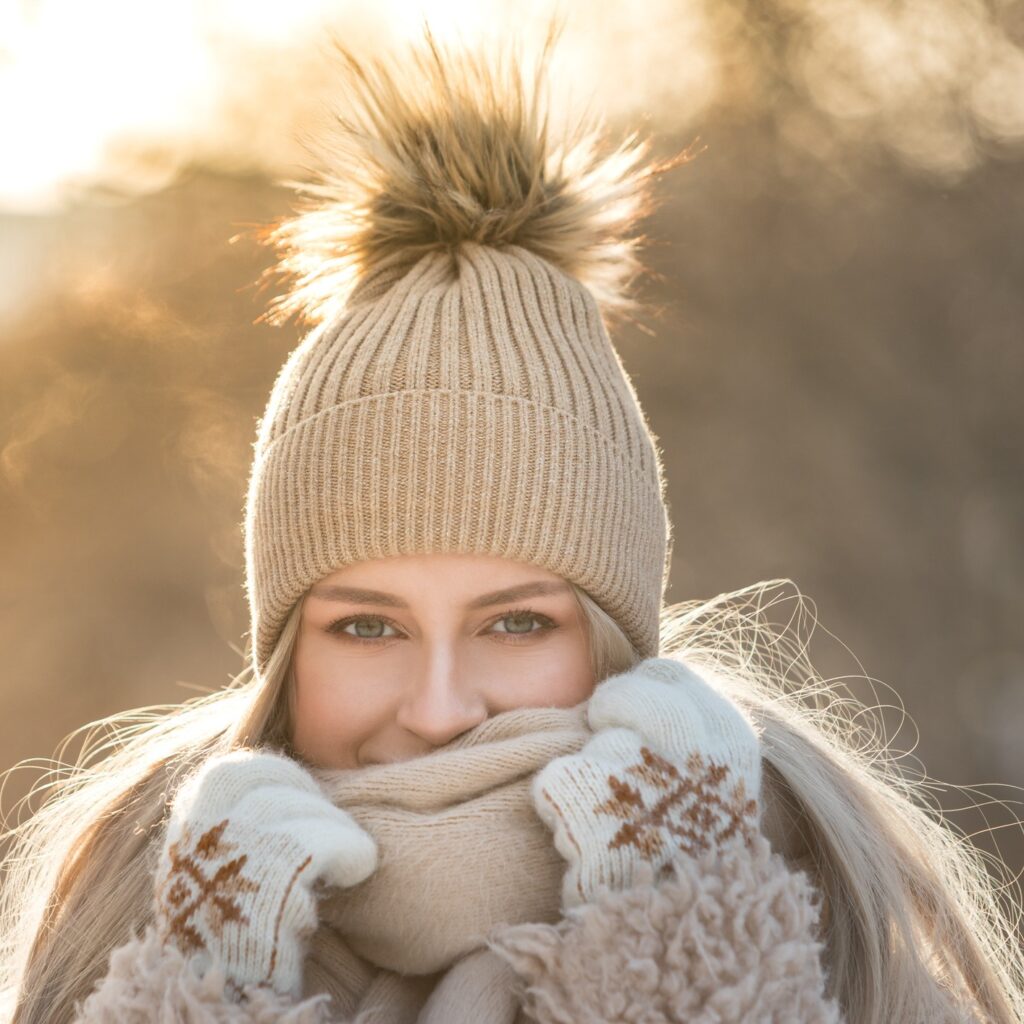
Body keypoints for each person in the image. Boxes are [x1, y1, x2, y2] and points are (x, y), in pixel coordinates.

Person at [1, 28, 1021, 1024]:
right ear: (285, 655)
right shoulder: (123, 942)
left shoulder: (839, 945)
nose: (439, 708)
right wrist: (206, 993)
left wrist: (683, 940)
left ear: (614, 641)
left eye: (516, 623)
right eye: (366, 626)